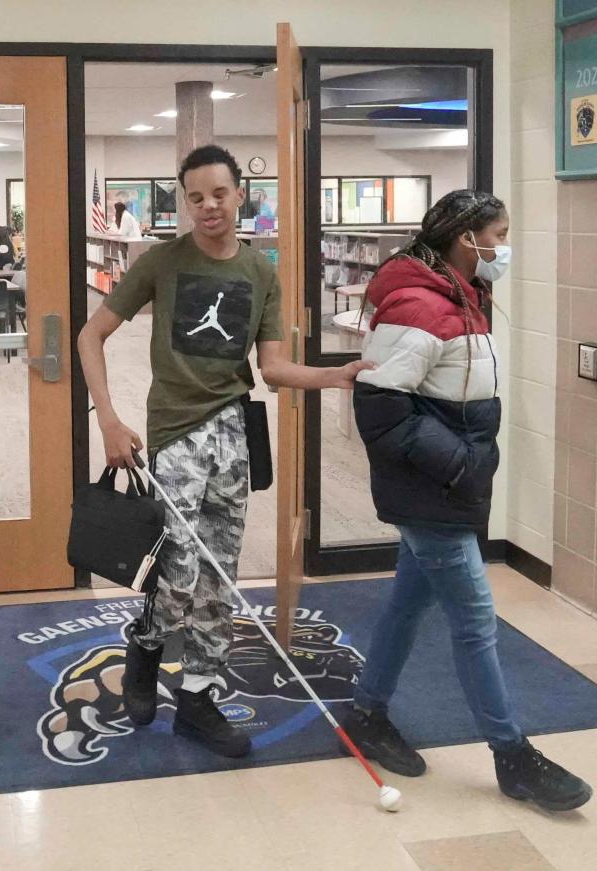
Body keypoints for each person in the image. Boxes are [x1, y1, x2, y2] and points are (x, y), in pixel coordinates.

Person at [77, 144, 371, 759]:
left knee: (219, 574)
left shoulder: (261, 271)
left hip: (232, 433)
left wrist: (334, 376)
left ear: (242, 194)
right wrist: (107, 417)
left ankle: (198, 701)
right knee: (179, 567)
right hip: (175, 431)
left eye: (218, 193)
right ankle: (148, 643)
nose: (208, 206)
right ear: (184, 203)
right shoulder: (162, 262)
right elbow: (90, 334)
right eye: (195, 197)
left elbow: (273, 367)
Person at [342, 190, 593, 813]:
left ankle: (368, 711)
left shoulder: (460, 295)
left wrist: (466, 465)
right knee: (477, 623)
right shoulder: (422, 305)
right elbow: (380, 409)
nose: (504, 247)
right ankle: (513, 758)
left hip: (446, 486)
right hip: (434, 491)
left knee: (407, 603)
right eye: (499, 235)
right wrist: (462, 464)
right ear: (466, 239)